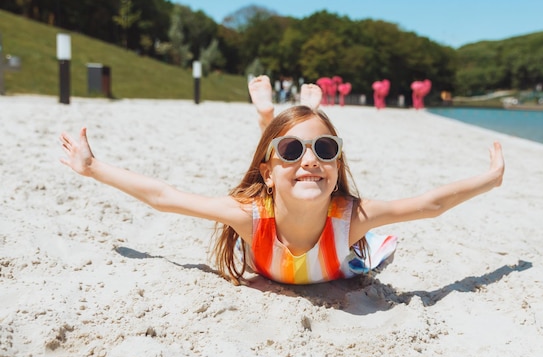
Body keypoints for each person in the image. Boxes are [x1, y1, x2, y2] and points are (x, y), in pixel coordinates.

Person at [59, 75, 505, 285]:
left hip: (332, 255)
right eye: (297, 151)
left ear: (337, 171)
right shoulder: (250, 217)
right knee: (278, 150)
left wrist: (491, 179)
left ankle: (281, 121)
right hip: (272, 210)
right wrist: (92, 167)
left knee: (286, 149)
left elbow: (430, 205)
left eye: (326, 150)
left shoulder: (351, 218)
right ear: (267, 180)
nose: (312, 161)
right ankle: (270, 119)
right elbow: (164, 196)